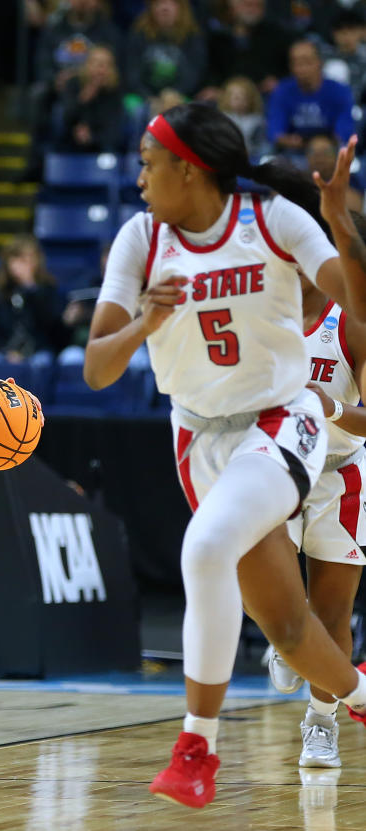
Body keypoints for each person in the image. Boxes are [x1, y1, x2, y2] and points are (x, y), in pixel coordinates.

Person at [83, 102, 366, 808]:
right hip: (197, 436)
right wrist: (146, 319)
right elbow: (96, 367)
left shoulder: (272, 218)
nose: (140, 179)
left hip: (285, 422)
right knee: (288, 627)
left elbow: (356, 308)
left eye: (150, 165)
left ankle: (195, 748)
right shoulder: (138, 239)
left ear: (188, 167)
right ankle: (358, 694)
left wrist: (341, 224)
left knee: (205, 547)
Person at [260, 253, 366, 770]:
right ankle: (287, 634)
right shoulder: (262, 313)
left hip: (340, 472)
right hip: (277, 464)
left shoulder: (353, 321)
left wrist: (333, 408)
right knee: (269, 580)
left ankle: (321, 724)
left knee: (334, 613)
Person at [0, 234, 68, 360]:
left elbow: (51, 328)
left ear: (37, 262)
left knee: (43, 360)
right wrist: (7, 351)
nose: (21, 266)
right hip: (4, 350)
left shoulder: (47, 289)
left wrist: (30, 286)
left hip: (37, 350)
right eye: (17, 259)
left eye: (27, 261)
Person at [268, 40, 356, 152]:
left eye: (307, 62)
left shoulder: (339, 90)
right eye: (296, 63)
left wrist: (321, 144)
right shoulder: (282, 91)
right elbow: (274, 132)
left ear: (320, 62)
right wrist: (288, 141)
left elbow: (345, 131)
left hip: (331, 151)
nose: (302, 68)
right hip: (292, 152)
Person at [123, 0, 207, 107]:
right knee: (136, 109)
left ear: (182, 8)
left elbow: (194, 75)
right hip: (143, 95)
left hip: (180, 95)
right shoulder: (138, 34)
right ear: (151, 9)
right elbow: (132, 74)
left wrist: (175, 93)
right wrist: (148, 97)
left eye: (171, 3)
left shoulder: (193, 37)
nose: (164, 8)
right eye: (159, 3)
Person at [57, 45, 125, 153]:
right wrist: (83, 99)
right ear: (87, 65)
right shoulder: (73, 83)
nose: (101, 70)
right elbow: (66, 118)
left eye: (106, 65)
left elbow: (114, 130)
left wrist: (92, 137)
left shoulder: (114, 90)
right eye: (97, 64)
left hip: (102, 145)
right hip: (71, 140)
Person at [217, 76, 269, 160]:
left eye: (243, 97)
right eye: (236, 97)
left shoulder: (257, 121)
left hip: (252, 157)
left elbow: (261, 144)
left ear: (251, 99)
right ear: (226, 98)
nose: (239, 101)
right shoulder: (222, 118)